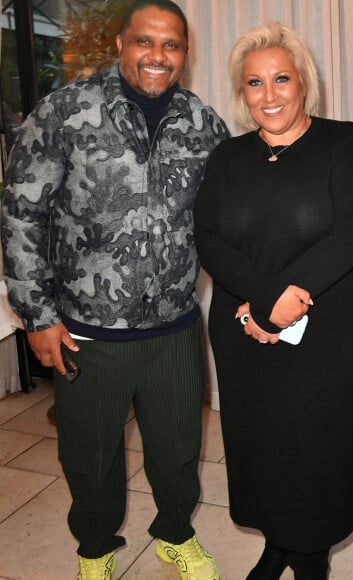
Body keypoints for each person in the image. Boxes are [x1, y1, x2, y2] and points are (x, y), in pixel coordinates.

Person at [0, 1, 228, 578]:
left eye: (171, 45)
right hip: (84, 331)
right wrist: (36, 315)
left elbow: (228, 219)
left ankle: (176, 533)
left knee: (178, 451)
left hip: (175, 327)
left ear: (184, 53)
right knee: (89, 454)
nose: (158, 56)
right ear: (121, 44)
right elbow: (22, 215)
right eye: (144, 42)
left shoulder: (203, 125)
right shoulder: (62, 112)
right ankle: (96, 549)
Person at [194, 21, 353, 580]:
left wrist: (277, 302)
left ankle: (311, 553)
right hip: (242, 326)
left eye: (281, 79)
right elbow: (209, 238)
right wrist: (258, 302)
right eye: (255, 83)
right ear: (241, 92)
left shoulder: (343, 142)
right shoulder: (227, 158)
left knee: (315, 444)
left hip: (325, 331)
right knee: (261, 441)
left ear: (303, 83)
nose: (269, 94)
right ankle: (279, 542)